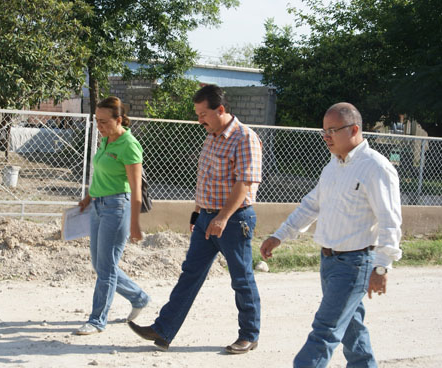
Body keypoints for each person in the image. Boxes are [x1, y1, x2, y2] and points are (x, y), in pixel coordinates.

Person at [260, 102, 402, 367]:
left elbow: (390, 221)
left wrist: (382, 267)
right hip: (328, 262)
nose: (326, 137)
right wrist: (280, 235)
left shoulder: (376, 168)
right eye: (324, 131)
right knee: (351, 330)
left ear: (354, 129)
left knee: (324, 331)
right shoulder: (333, 166)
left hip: (355, 264)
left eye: (332, 130)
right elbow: (312, 205)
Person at [128, 84, 263, 354]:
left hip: (234, 220)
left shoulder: (244, 138)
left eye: (203, 114)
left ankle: (249, 335)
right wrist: (198, 212)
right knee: (190, 275)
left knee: (241, 278)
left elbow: (244, 184)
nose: (199, 119)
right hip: (206, 219)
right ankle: (163, 330)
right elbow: (207, 180)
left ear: (220, 110)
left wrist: (223, 218)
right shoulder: (212, 136)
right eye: (198, 114)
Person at [74, 96, 150, 335]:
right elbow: (101, 174)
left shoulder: (129, 145)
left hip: (117, 208)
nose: (99, 126)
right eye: (97, 121)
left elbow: (136, 190)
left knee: (106, 267)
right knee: (100, 264)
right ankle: (139, 297)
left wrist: (135, 224)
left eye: (104, 121)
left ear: (119, 120)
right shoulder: (106, 140)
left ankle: (97, 320)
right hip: (98, 206)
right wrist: (89, 197)